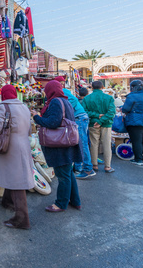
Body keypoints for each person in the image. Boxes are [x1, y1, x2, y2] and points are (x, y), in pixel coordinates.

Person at [0, 84, 33, 229]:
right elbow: (30, 129)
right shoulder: (24, 107)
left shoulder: (3, 107)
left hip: (10, 147)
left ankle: (22, 218)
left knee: (17, 180)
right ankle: (8, 201)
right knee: (13, 174)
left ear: (3, 94)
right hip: (23, 145)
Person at [31, 81, 82, 212]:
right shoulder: (65, 101)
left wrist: (36, 117)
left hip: (60, 145)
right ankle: (74, 200)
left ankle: (60, 204)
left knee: (63, 175)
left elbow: (53, 122)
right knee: (68, 173)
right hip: (66, 142)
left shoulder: (55, 102)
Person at [55, 76, 95, 179]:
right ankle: (79, 168)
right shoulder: (62, 91)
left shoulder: (63, 91)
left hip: (79, 118)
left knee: (82, 144)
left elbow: (72, 100)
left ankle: (88, 169)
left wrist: (64, 109)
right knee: (78, 143)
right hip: (79, 118)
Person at [81, 81, 116, 173]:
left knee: (93, 144)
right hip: (106, 124)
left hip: (93, 123)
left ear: (92, 88)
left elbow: (84, 112)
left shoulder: (87, 98)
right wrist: (101, 120)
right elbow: (112, 112)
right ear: (103, 87)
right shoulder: (109, 98)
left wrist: (97, 116)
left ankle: (94, 165)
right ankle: (108, 166)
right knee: (106, 144)